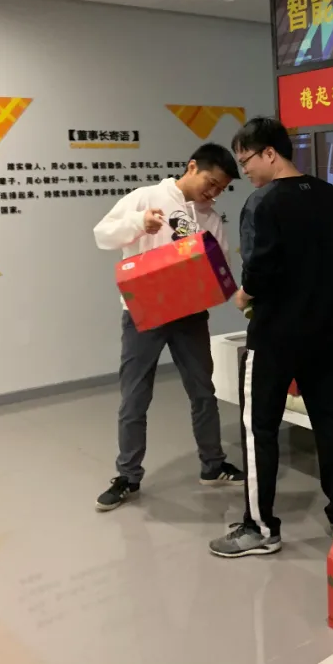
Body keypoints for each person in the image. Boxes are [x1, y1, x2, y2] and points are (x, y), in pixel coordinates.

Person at [208, 116, 333, 558]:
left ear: (270, 153)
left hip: (274, 335)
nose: (244, 171)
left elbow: (258, 271)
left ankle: (260, 528)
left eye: (246, 161)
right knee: (330, 421)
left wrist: (244, 294)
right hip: (325, 332)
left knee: (259, 427)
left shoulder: (263, 204)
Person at [92, 143, 245, 511]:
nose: (213, 193)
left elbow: (220, 266)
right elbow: (102, 234)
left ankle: (212, 465)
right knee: (135, 396)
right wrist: (137, 224)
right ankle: (128, 476)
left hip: (189, 315)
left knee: (203, 391)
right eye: (210, 183)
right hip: (144, 313)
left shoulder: (211, 218)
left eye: (220, 188)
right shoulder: (146, 198)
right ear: (192, 167)